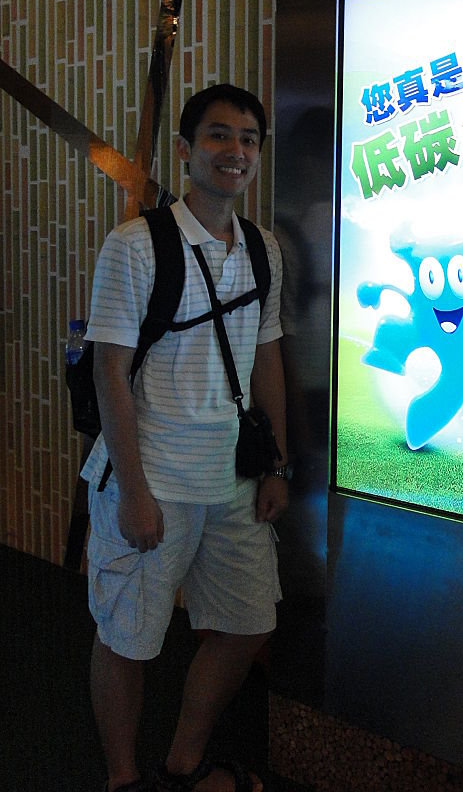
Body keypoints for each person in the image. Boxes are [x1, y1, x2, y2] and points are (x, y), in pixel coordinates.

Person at [80, 84, 289, 792]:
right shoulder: (136, 246)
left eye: (249, 139)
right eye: (219, 135)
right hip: (152, 479)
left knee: (249, 622)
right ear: (186, 149)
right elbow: (109, 371)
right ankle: (122, 778)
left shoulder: (262, 250)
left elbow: (266, 357)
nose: (236, 151)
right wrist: (134, 494)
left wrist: (276, 466)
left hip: (233, 480)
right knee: (128, 637)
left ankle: (183, 759)